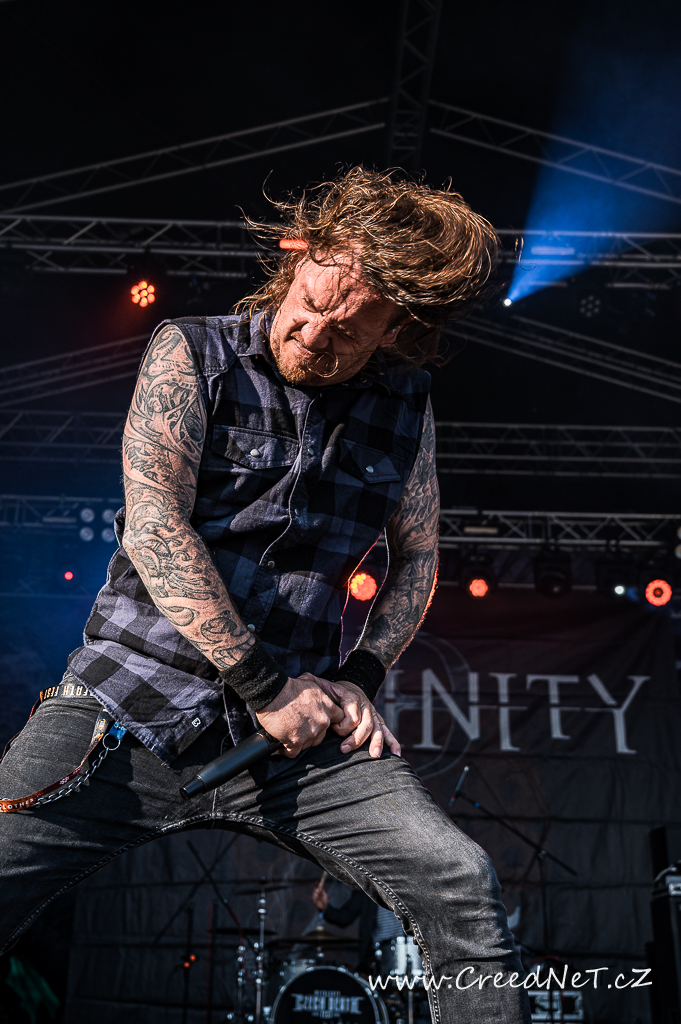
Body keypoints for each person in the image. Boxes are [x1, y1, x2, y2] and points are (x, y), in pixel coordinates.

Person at [0, 168, 530, 1023]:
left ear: (396, 330)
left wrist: (360, 676)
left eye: (346, 330)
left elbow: (418, 556)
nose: (311, 333)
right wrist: (264, 685)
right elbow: (155, 526)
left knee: (458, 882)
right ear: (297, 260)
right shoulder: (191, 350)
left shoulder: (406, 402)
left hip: (293, 739)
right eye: (308, 303)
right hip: (125, 709)